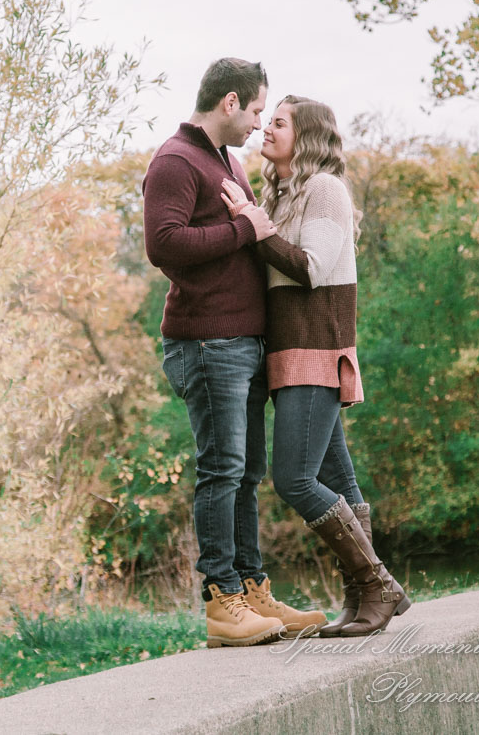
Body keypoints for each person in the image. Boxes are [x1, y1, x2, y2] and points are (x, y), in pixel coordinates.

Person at [142, 59, 327, 648]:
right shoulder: (175, 160)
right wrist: (246, 231)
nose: (257, 123)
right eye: (254, 111)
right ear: (229, 103)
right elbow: (163, 243)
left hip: (242, 342)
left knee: (245, 473)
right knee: (221, 469)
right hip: (206, 342)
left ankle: (251, 591)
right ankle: (222, 602)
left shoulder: (227, 162)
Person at [221, 95, 411, 637]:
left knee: (295, 479)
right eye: (269, 121)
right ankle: (363, 601)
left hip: (316, 348)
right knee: (337, 479)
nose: (266, 130)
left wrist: (251, 222)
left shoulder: (325, 189)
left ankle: (378, 585)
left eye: (279, 123)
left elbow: (309, 268)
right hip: (289, 353)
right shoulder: (283, 195)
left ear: (306, 136)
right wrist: (258, 218)